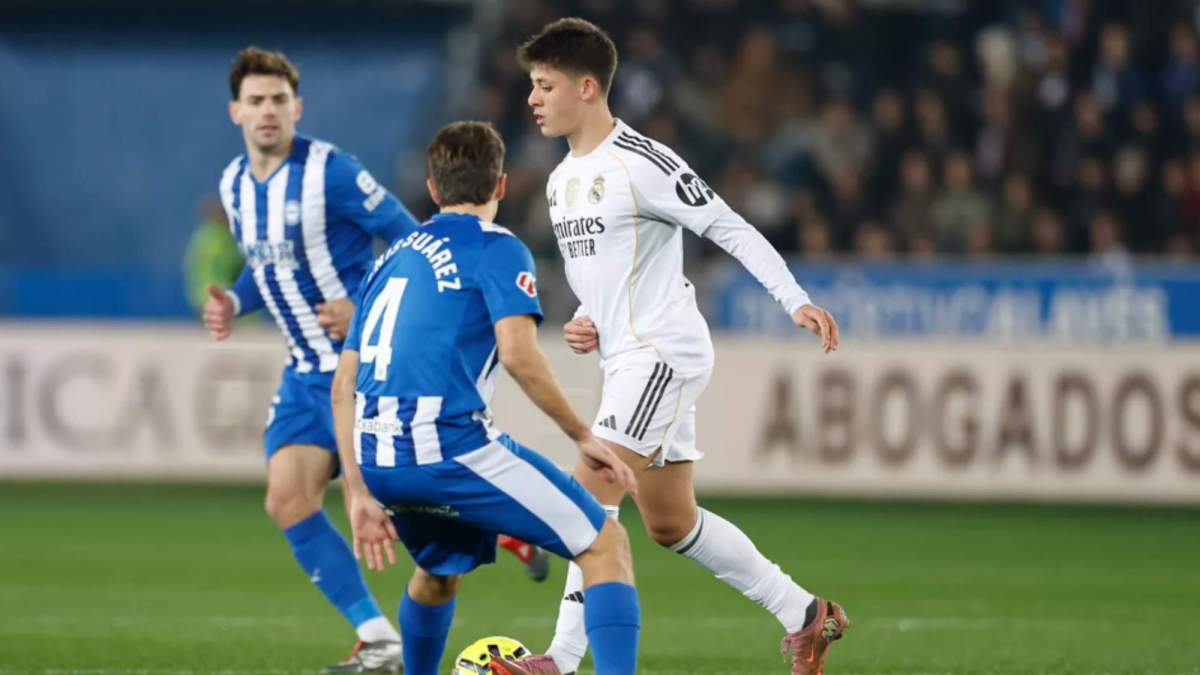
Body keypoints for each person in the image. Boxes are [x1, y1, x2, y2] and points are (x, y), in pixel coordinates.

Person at [517, 19, 847, 675]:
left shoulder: (642, 162)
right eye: (531, 85)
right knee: (670, 522)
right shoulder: (559, 183)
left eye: (545, 85)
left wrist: (794, 299)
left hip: (664, 352)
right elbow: (609, 273)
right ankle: (805, 612)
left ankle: (560, 656)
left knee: (593, 483)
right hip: (627, 359)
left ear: (587, 87)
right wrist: (588, 317)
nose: (532, 98)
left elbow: (726, 223)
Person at [201, 48, 542, 673]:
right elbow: (267, 260)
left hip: (367, 367)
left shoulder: (329, 172)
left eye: (279, 99)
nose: (268, 111)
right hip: (306, 367)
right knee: (288, 499)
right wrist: (235, 298)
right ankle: (380, 635)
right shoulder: (233, 185)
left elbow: (416, 233)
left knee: (404, 494)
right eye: (256, 100)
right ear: (235, 111)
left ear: (297, 107)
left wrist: (365, 305)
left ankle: (497, 522)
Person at [333, 121, 641, 675]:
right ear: (501, 185)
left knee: (437, 571)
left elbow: (342, 385)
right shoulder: (498, 248)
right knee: (604, 542)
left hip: (378, 460)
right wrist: (581, 436)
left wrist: (356, 488)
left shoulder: (392, 257)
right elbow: (519, 355)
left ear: (431, 189)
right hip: (448, 449)